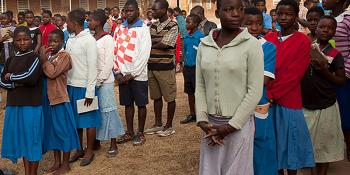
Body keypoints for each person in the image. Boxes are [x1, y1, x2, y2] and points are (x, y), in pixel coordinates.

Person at [196, 0, 264, 174]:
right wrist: (203, 120)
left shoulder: (252, 45)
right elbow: (201, 85)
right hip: (211, 126)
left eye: (239, 9)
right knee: (210, 170)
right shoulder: (205, 44)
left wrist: (230, 126)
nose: (236, 14)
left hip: (238, 125)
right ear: (217, 13)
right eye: (228, 9)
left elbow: (255, 90)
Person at [264, 0, 315, 174]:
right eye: (280, 13)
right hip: (268, 102)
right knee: (273, 144)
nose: (283, 17)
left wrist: (270, 93)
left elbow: (294, 75)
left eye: (288, 14)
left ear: (295, 17)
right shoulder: (269, 38)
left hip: (288, 100)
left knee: (290, 145)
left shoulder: (303, 41)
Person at [301, 15, 345, 175]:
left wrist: (325, 71)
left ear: (334, 31)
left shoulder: (335, 54)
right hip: (306, 104)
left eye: (330, 28)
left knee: (324, 145)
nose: (326, 30)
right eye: (322, 27)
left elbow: (340, 80)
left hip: (326, 105)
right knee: (310, 145)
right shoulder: (306, 48)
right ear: (315, 28)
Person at [0, 26, 43, 175]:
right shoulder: (10, 59)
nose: (23, 42)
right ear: (14, 42)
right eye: (19, 40)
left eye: (26, 39)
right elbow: (1, 81)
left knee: (33, 139)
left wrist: (11, 77)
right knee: (23, 141)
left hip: (31, 105)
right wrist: (15, 82)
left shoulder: (35, 57)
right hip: (14, 105)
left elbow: (30, 76)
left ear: (32, 40)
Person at [40, 29, 80, 175]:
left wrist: (43, 60)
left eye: (55, 41)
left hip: (59, 99)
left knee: (64, 132)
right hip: (47, 99)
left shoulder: (64, 56)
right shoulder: (50, 55)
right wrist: (44, 58)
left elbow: (52, 73)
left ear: (63, 41)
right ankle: (57, 162)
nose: (52, 43)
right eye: (50, 41)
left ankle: (65, 164)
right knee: (52, 132)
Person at [243, 7, 278, 175]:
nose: (254, 28)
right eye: (249, 24)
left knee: (261, 145)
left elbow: (263, 81)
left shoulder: (268, 47)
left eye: (258, 23)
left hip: (258, 103)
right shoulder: (234, 45)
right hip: (237, 106)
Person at [113, 0, 151, 145]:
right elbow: (114, 51)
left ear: (138, 11)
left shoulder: (143, 28)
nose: (128, 13)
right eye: (126, 11)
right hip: (123, 76)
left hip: (138, 75)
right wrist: (118, 72)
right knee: (128, 105)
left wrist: (132, 73)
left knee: (141, 104)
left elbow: (144, 54)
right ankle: (129, 132)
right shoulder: (119, 28)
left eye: (131, 10)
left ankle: (140, 133)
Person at [65, 9, 100, 166]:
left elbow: (93, 68)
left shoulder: (89, 40)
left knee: (88, 121)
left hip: (85, 88)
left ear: (74, 23)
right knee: (75, 121)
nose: (66, 24)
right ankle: (78, 149)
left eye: (67, 22)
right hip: (71, 85)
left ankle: (89, 151)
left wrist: (90, 92)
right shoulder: (71, 39)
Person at [88, 10, 125, 157]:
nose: (88, 22)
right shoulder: (91, 38)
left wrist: (99, 80)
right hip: (92, 81)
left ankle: (113, 143)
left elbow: (109, 63)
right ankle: (96, 141)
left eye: (90, 20)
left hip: (104, 81)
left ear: (97, 22)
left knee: (108, 111)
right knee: (94, 111)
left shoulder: (107, 39)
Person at [145, 0, 178, 137]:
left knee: (170, 98)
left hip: (166, 67)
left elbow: (167, 44)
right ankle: (158, 124)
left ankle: (169, 125)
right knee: (156, 97)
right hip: (151, 66)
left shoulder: (173, 25)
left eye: (155, 9)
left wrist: (152, 42)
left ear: (164, 10)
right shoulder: (152, 26)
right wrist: (155, 42)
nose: (152, 11)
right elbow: (145, 42)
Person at [322, 0, 350, 161]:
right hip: (325, 77)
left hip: (343, 78)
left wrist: (343, 74)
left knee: (346, 119)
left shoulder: (347, 19)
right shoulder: (328, 18)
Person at [179, 14, 204, 124]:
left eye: (188, 22)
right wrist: (183, 63)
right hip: (187, 68)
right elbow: (184, 51)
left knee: (198, 92)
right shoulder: (187, 36)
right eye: (186, 22)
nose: (186, 24)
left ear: (196, 24)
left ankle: (201, 115)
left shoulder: (200, 37)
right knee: (190, 92)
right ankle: (192, 114)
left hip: (197, 69)